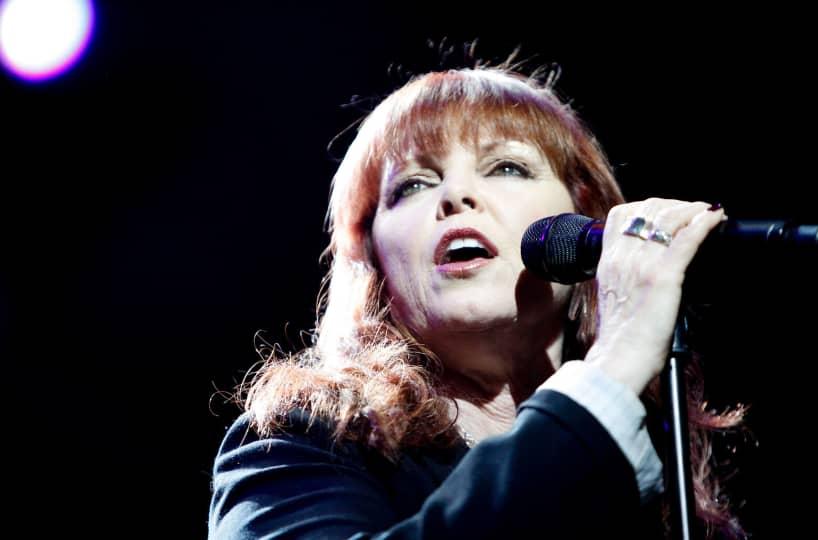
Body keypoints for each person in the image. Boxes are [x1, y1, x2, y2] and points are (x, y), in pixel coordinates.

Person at [208, 55, 748, 539]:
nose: (456, 196)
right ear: (374, 262)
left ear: (587, 225)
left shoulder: (661, 461)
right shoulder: (297, 446)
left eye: (507, 167)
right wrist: (617, 362)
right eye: (413, 185)